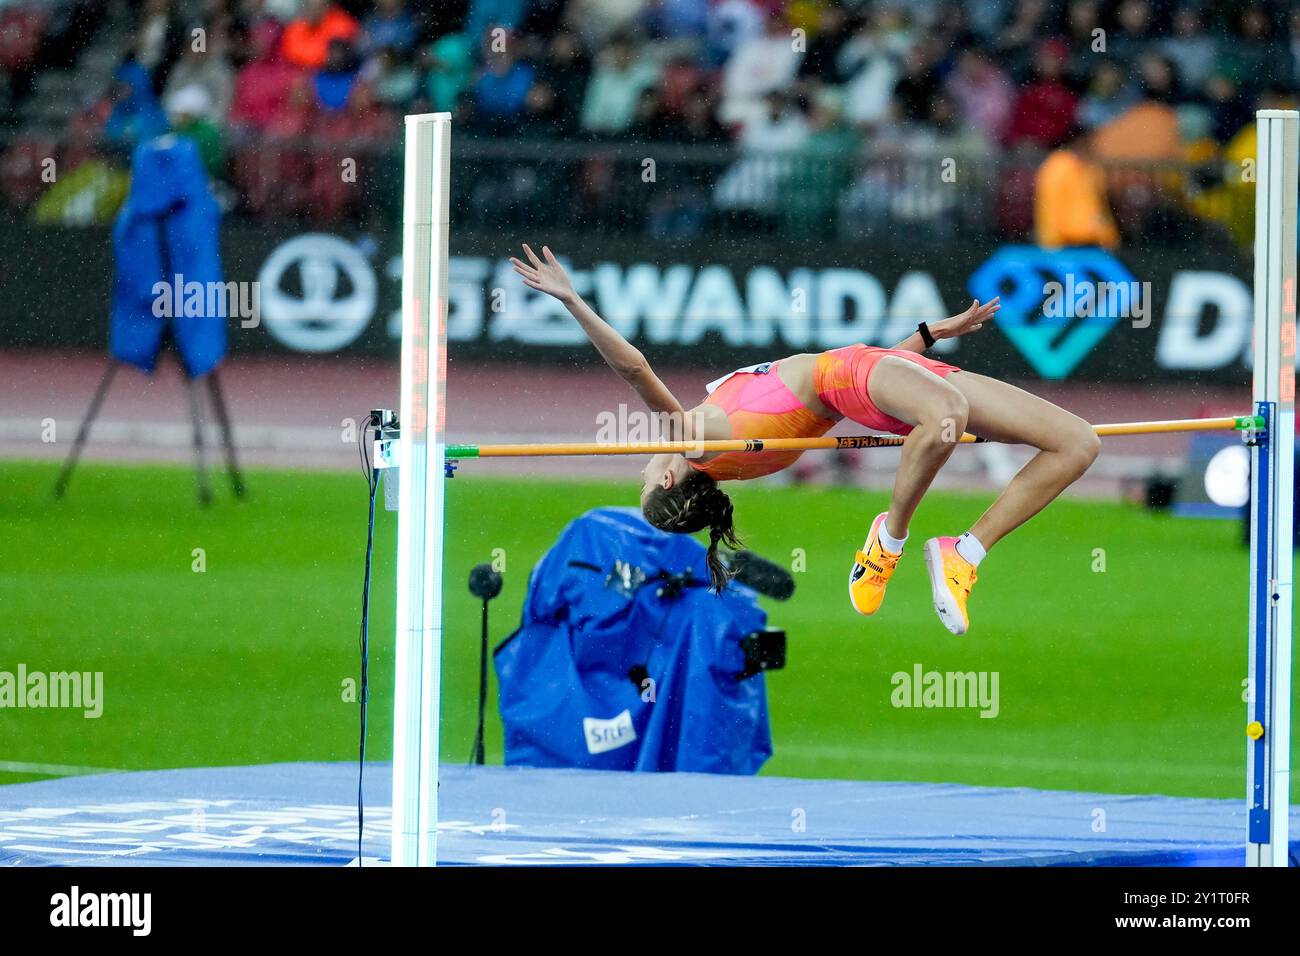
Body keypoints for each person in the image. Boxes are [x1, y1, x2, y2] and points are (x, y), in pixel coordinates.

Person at [510, 244, 1100, 635]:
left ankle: (964, 552)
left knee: (1077, 443)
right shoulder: (702, 442)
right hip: (865, 381)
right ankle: (888, 543)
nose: (644, 464)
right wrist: (572, 300)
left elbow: (863, 383)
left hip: (879, 381)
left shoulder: (729, 449)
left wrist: (928, 334)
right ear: (671, 475)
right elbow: (636, 370)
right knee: (947, 413)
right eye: (645, 474)